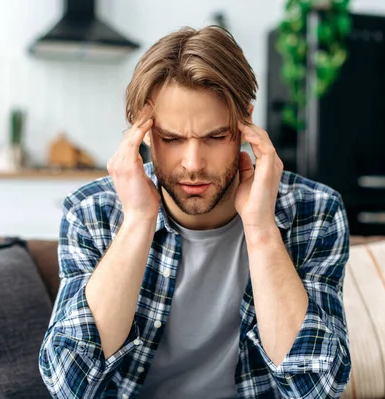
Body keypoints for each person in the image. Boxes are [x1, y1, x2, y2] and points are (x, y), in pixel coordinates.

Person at [39, 25, 351, 399]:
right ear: (145, 132)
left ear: (245, 124)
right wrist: (139, 220)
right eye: (171, 139)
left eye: (215, 137)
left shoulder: (316, 212)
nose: (193, 164)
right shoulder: (91, 212)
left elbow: (318, 388)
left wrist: (262, 229)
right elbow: (70, 385)